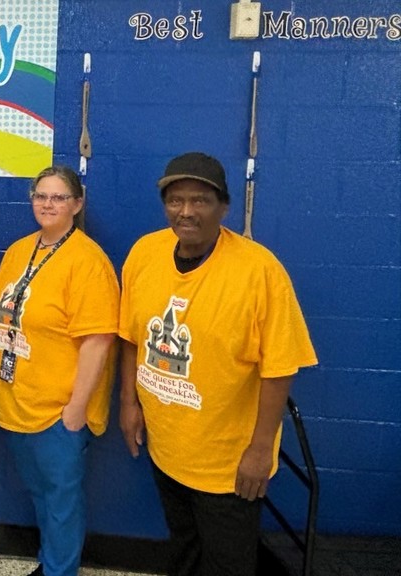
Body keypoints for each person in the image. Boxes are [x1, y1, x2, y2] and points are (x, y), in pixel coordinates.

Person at [118, 152, 318, 576]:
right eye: (175, 200)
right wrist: (129, 403)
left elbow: (280, 367)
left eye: (200, 200)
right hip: (167, 446)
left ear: (223, 207)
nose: (186, 211)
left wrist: (261, 450)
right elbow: (131, 338)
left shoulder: (260, 271)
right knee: (185, 548)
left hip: (227, 465)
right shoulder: (144, 253)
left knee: (229, 563)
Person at [0, 166, 119, 576]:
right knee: (42, 496)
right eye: (40, 195)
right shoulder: (18, 250)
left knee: (61, 501)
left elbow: (98, 341)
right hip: (15, 401)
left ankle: (60, 571)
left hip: (58, 410)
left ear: (77, 204)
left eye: (59, 197)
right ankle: (50, 564)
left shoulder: (87, 261)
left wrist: (77, 407)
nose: (47, 204)